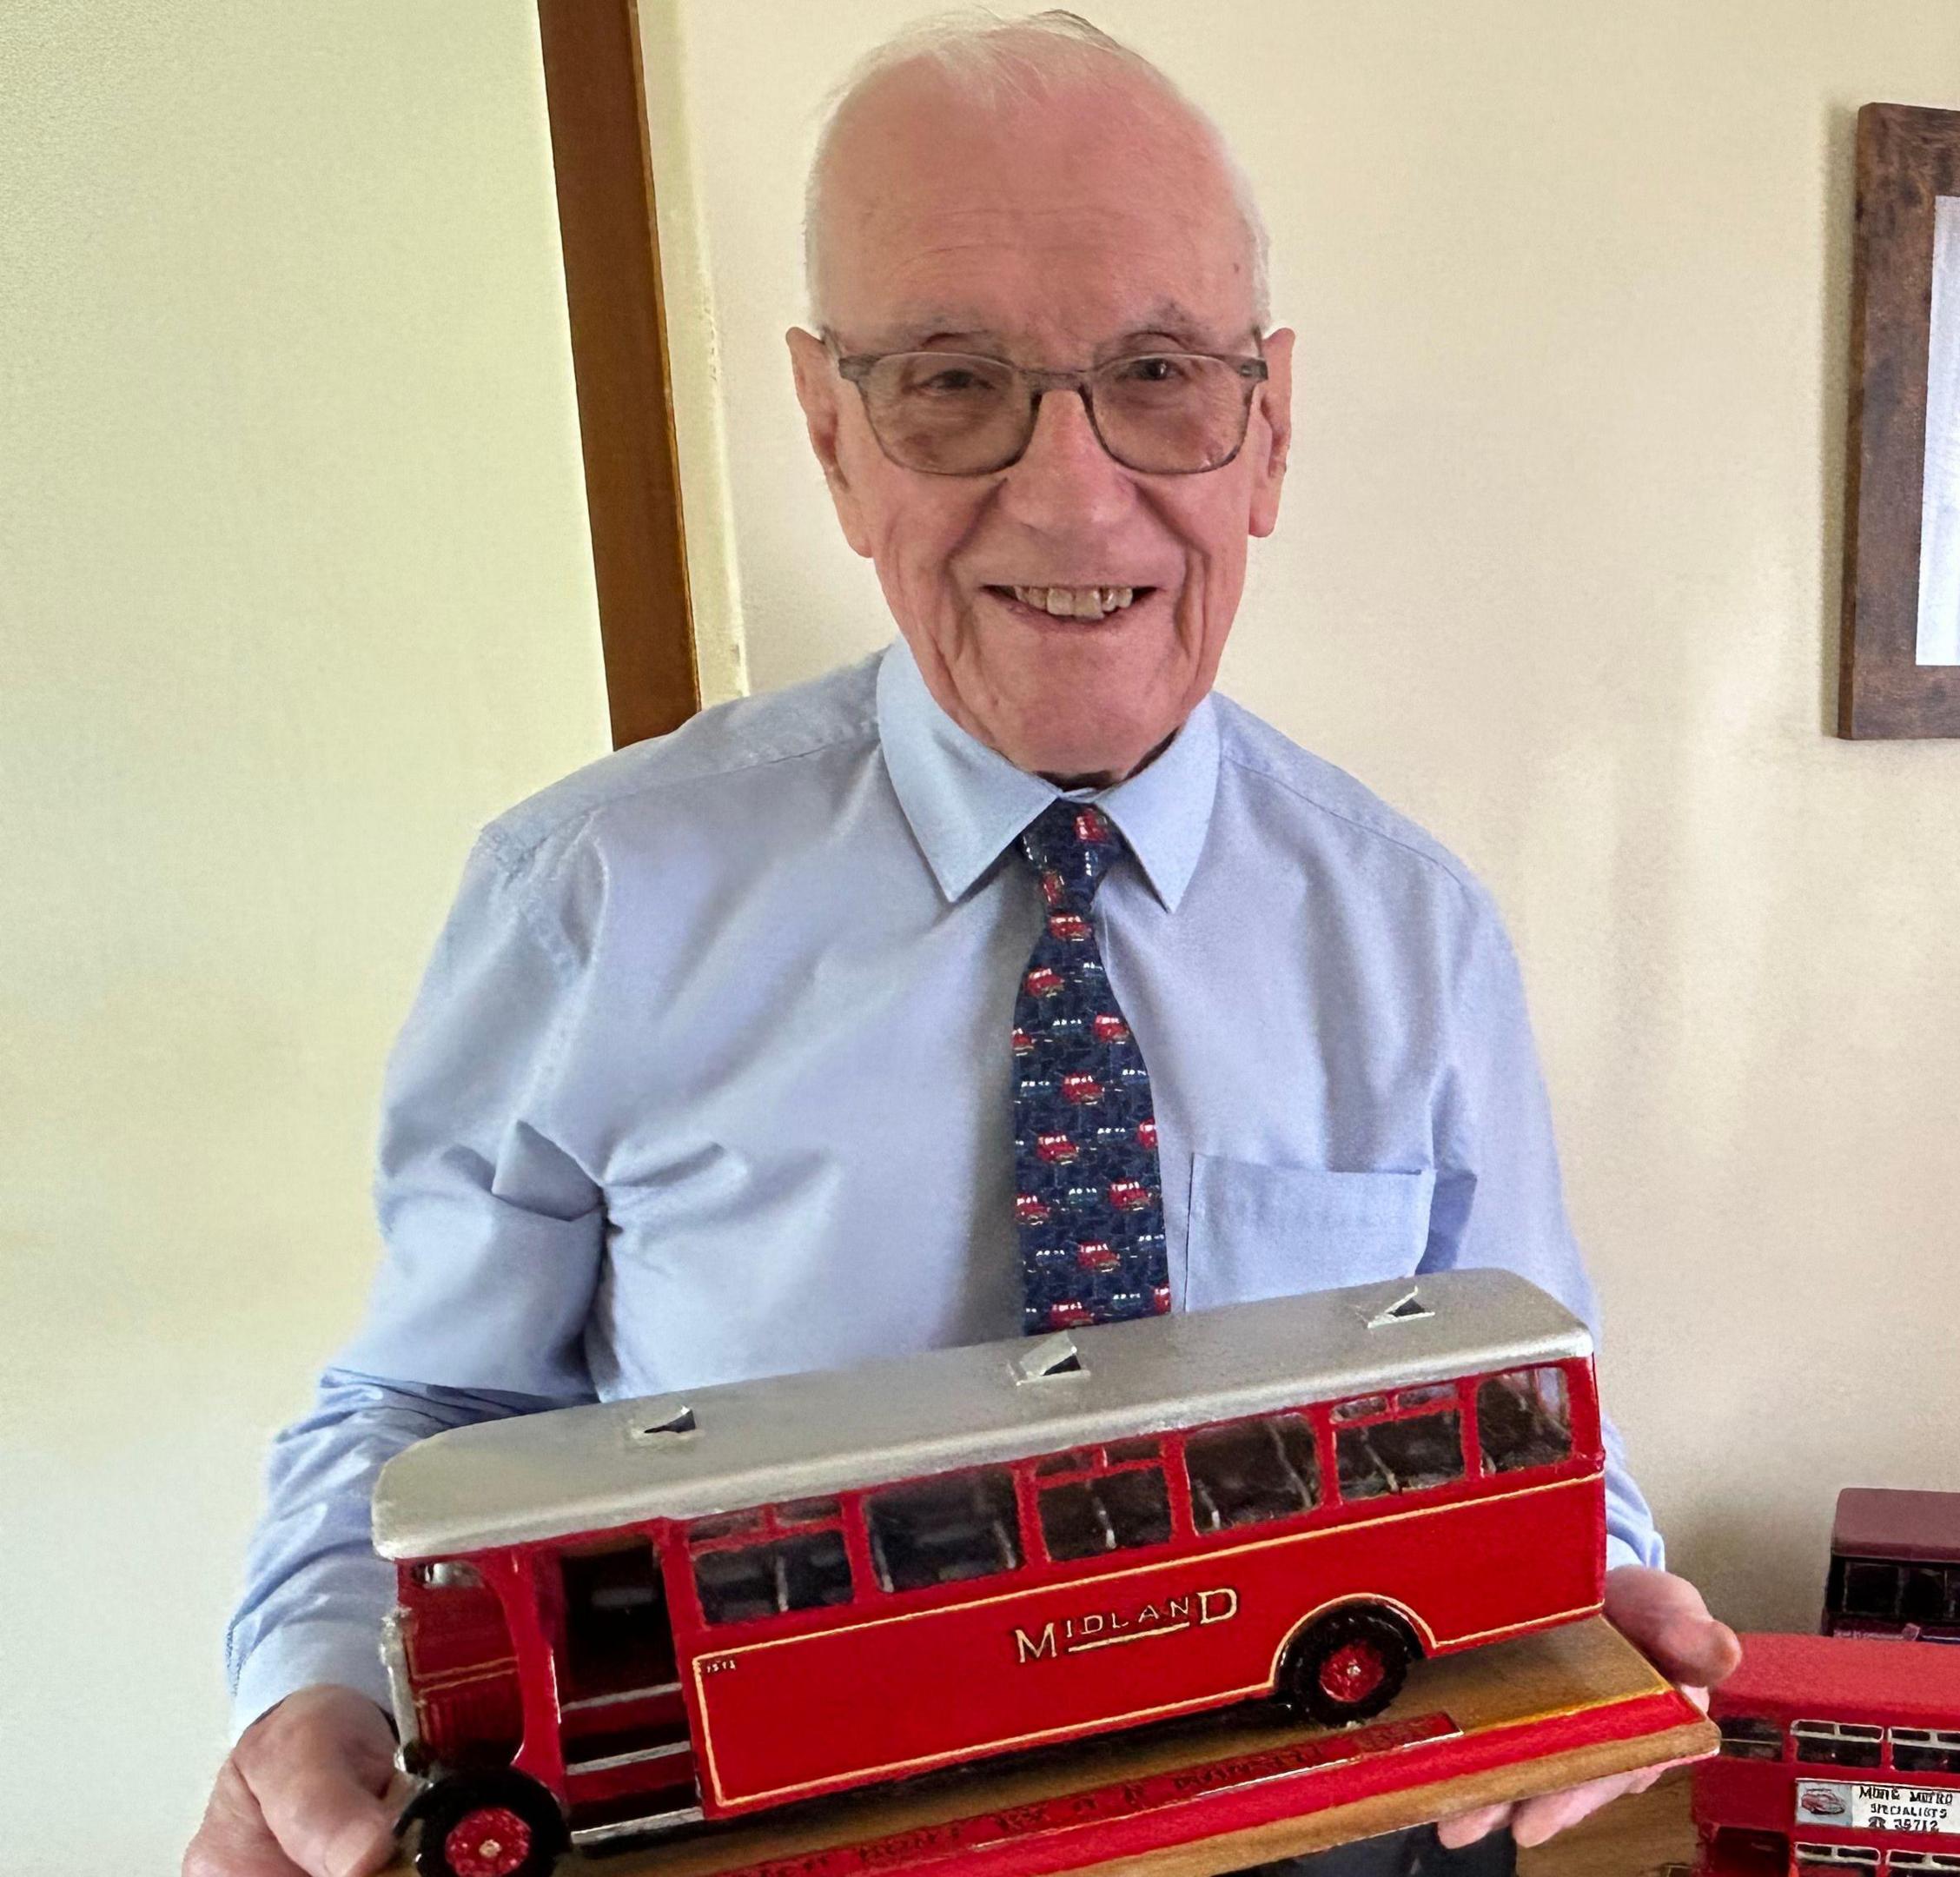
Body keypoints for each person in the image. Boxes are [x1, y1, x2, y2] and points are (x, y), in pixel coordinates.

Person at [184, 16, 1736, 1875]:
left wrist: (1603, 1594)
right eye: (952, 379)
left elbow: (1521, 1380)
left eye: (1158, 374)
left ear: (1269, 429)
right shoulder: (587, 899)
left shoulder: (1410, 930)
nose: (1073, 494)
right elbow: (433, 1414)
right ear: (834, 435)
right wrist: (307, 1679)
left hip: (1339, 1828)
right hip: (791, 1816)